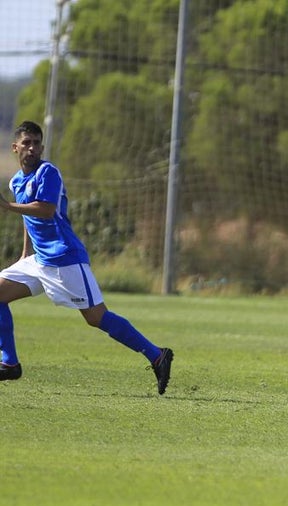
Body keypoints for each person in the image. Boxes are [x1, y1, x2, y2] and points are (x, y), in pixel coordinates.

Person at [0, 121, 173, 393]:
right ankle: (9, 363)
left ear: (42, 147)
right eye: (26, 143)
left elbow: (45, 210)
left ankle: (157, 356)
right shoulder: (16, 181)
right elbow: (28, 218)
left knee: (96, 317)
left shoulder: (48, 172)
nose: (32, 148)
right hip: (39, 261)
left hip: (65, 258)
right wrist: (25, 253)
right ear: (15, 148)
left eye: (36, 143)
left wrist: (7, 206)